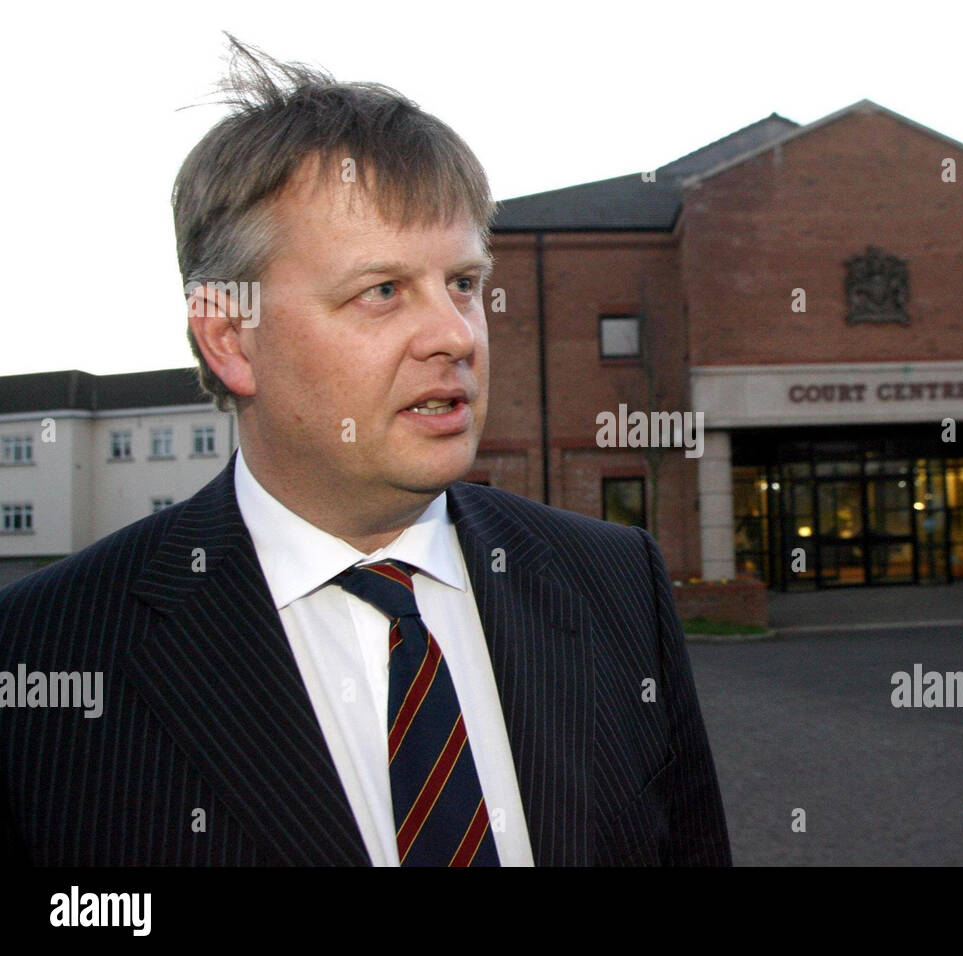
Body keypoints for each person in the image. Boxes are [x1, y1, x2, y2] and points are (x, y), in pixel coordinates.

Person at [0, 36, 730, 867]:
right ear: (232, 338)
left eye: (462, 283)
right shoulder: (43, 657)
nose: (456, 336)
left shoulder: (616, 584)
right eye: (382, 291)